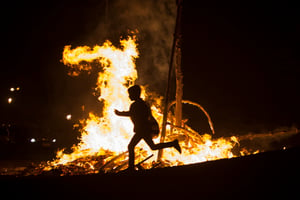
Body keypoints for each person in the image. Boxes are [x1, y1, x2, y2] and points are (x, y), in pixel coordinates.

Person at [115, 85, 181, 171]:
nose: (129, 96)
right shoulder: (143, 103)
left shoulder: (137, 104)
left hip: (142, 130)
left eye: (130, 94)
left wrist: (120, 113)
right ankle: (173, 143)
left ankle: (131, 168)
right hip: (144, 129)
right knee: (152, 146)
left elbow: (132, 113)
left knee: (131, 146)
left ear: (135, 94)